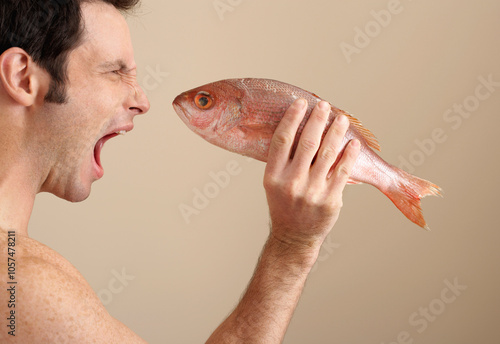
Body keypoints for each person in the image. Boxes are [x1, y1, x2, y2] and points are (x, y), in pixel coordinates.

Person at [0, 0, 360, 343]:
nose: (142, 101)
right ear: (22, 78)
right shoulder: (24, 286)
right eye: (115, 71)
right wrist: (292, 245)